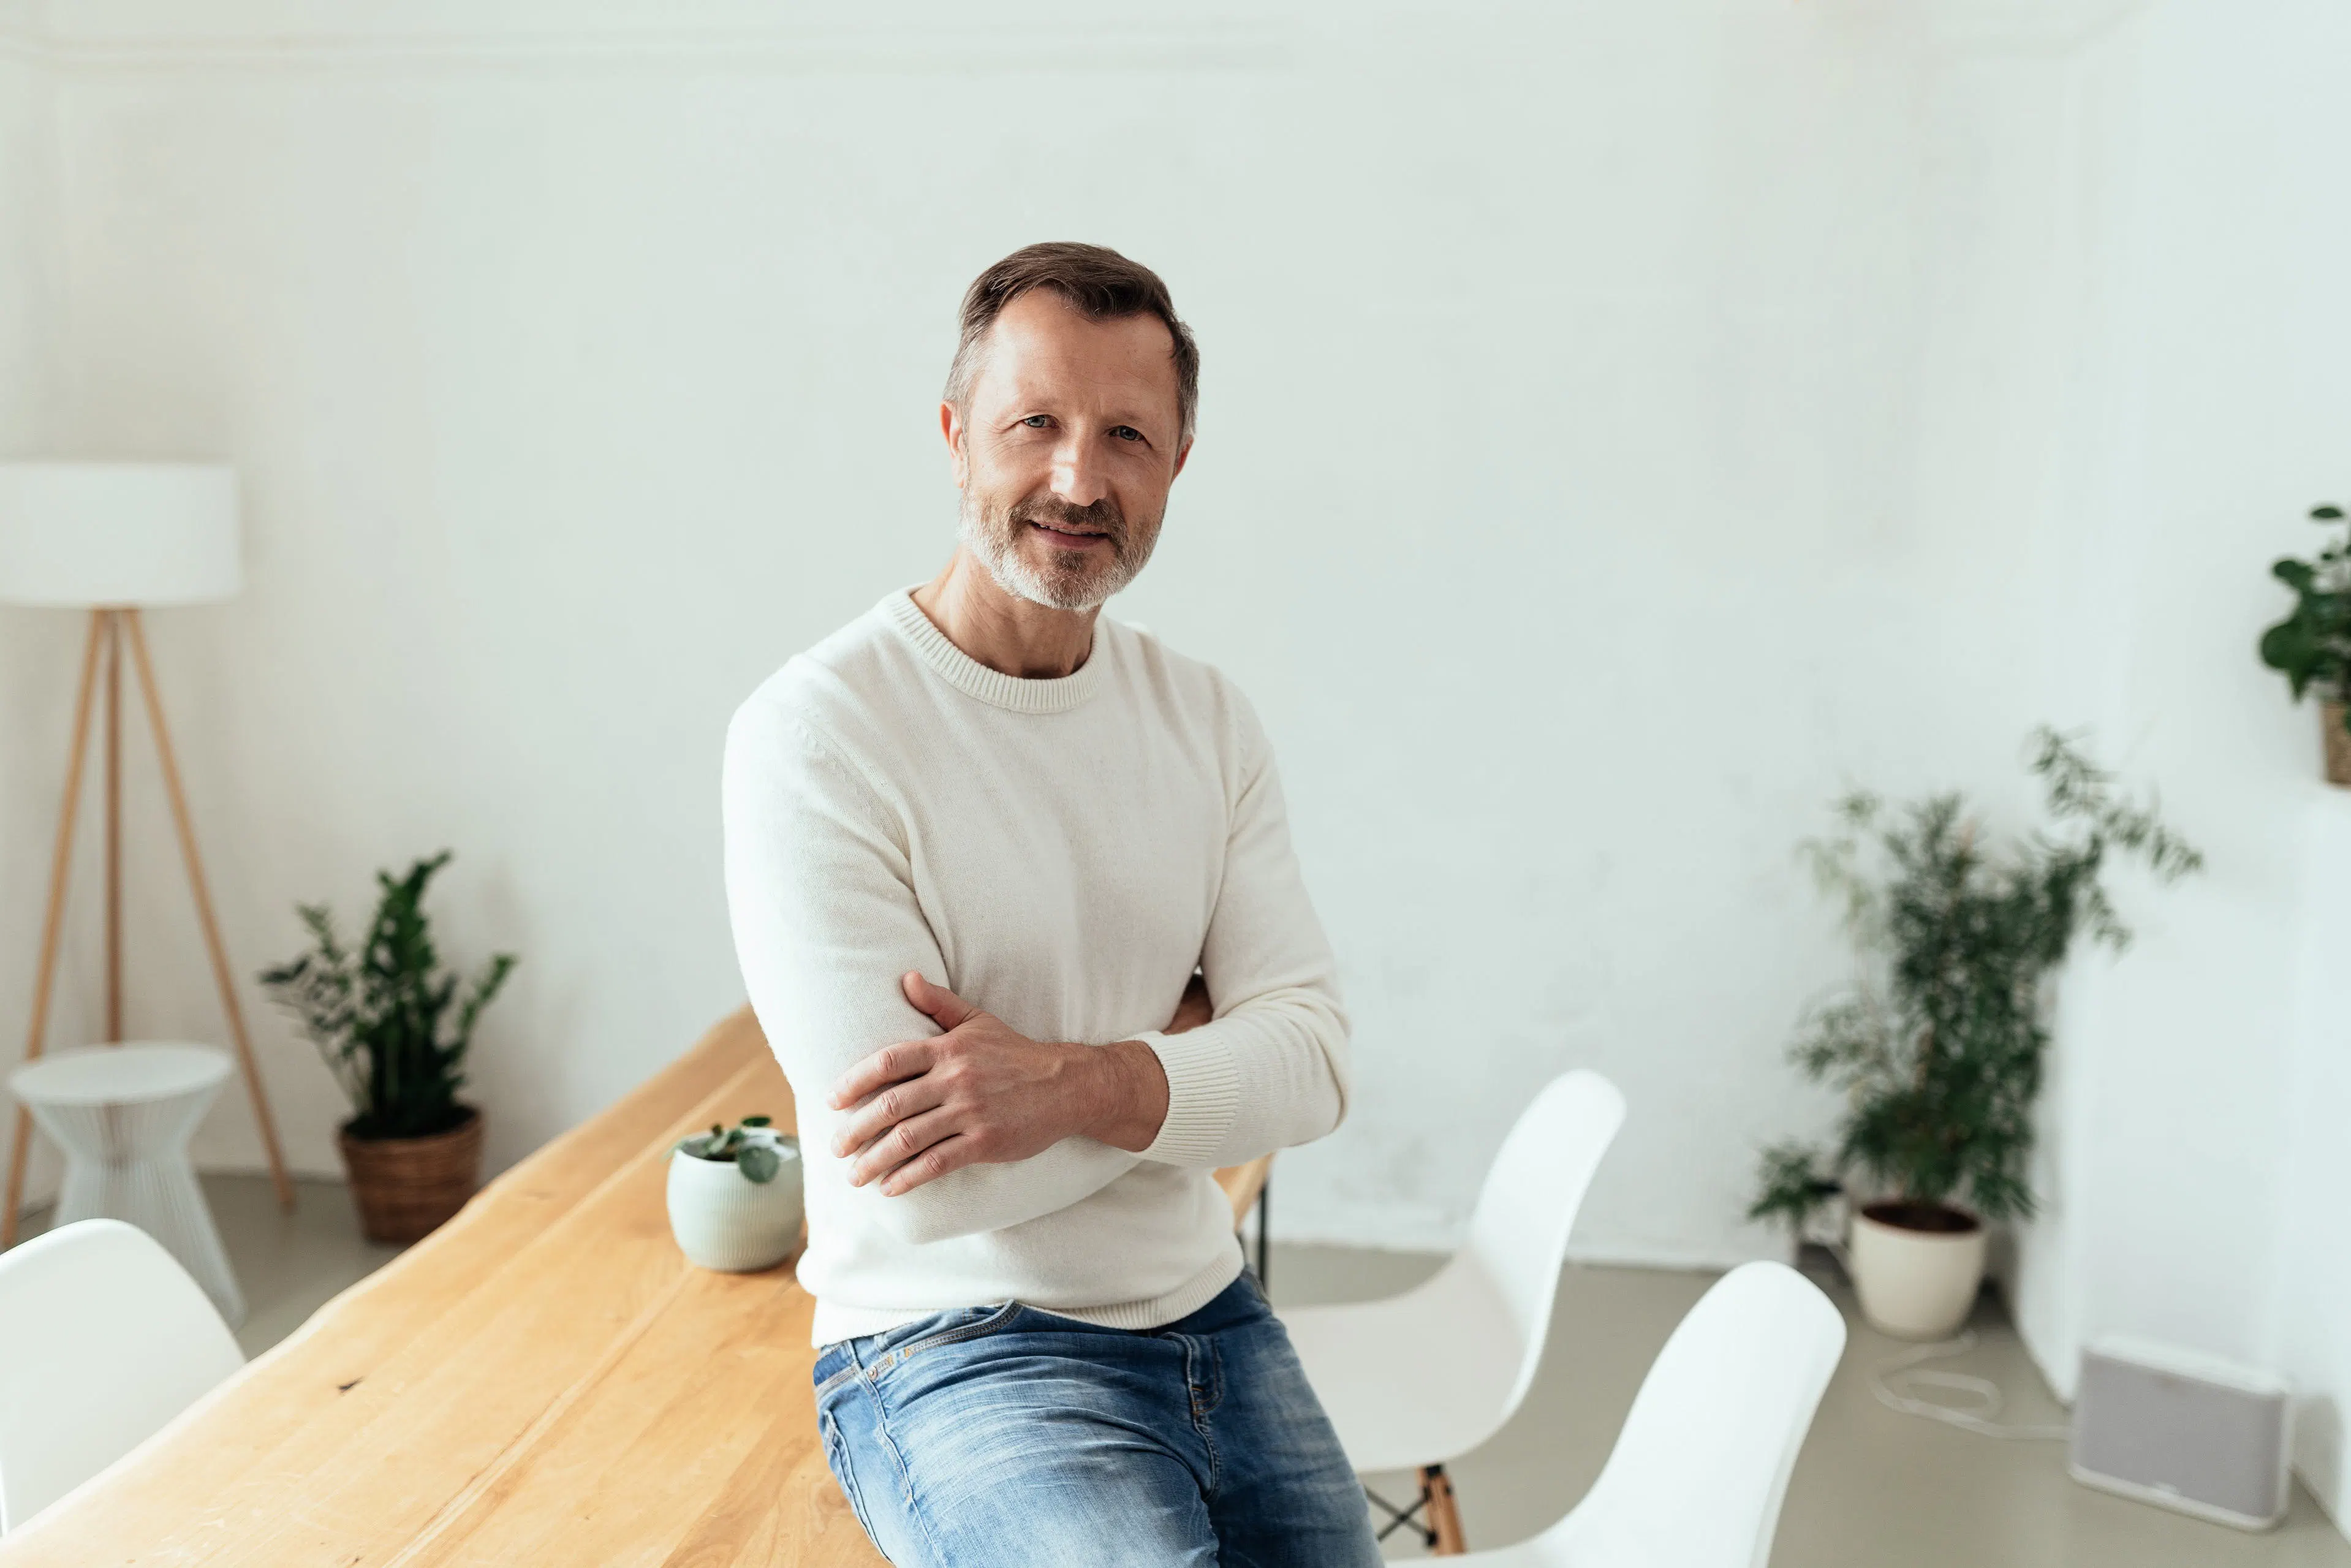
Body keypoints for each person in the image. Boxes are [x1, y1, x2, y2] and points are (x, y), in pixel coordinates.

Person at [722, 241, 1377, 1567]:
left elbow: (1310, 1069)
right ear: (958, 438)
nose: (1080, 480)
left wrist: (1069, 1083)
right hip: (955, 1348)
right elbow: (912, 1189)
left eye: (1127, 435)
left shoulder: (1205, 719)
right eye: (1036, 424)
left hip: (1211, 1312)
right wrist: (1187, 1061)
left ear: (1177, 462)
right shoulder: (817, 733)